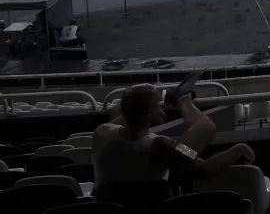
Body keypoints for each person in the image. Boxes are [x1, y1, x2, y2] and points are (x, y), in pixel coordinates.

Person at [92, 84, 254, 210]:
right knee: (206, 126)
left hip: (113, 205)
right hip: (153, 207)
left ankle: (181, 100)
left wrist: (145, 109)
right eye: (158, 104)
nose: (161, 106)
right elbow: (206, 168)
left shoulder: (101, 133)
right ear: (149, 114)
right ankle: (185, 99)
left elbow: (126, 120)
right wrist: (238, 149)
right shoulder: (162, 145)